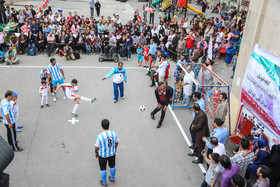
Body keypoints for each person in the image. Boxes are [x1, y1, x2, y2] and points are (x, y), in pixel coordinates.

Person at [95, 119, 119, 186]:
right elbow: (116, 142)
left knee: (103, 168)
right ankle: (112, 178)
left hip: (102, 155)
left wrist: (96, 152)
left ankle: (104, 182)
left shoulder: (100, 136)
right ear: (109, 125)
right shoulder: (114, 133)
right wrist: (115, 148)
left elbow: (97, 147)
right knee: (112, 166)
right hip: (112, 153)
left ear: (102, 126)